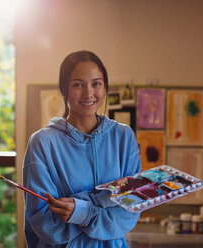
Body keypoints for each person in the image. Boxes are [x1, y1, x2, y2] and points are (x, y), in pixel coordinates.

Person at [23, 50, 141, 247]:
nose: (89, 94)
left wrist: (82, 212)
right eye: (78, 84)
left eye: (96, 83)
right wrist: (107, 199)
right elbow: (44, 222)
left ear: (104, 87)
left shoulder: (123, 137)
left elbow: (129, 213)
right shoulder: (42, 143)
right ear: (64, 89)